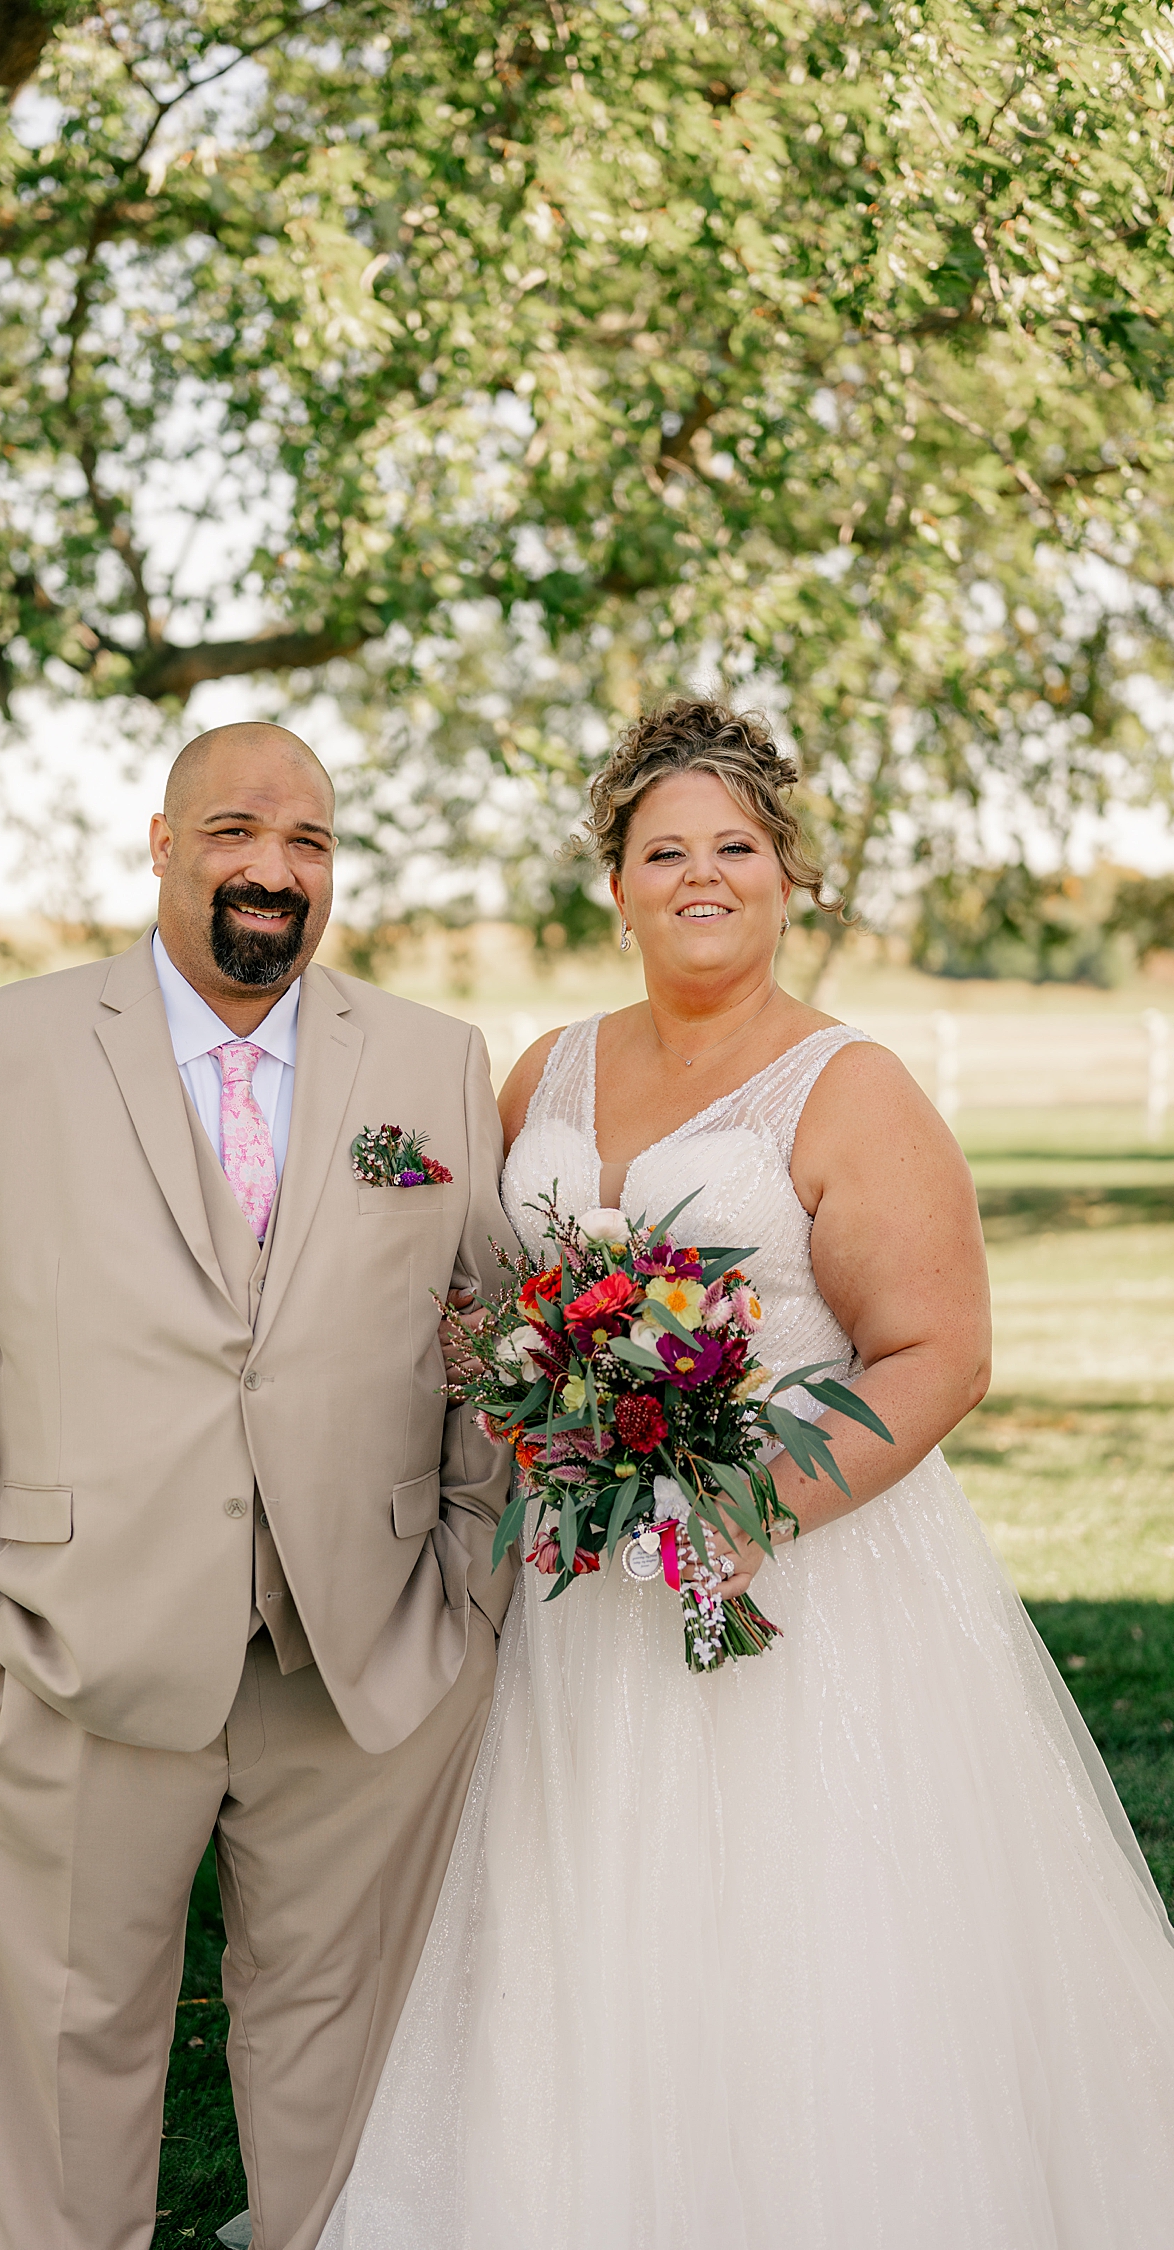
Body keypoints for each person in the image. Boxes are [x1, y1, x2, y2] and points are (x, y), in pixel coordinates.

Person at [318, 699, 1174, 2250]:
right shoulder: (546, 1072)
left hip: (805, 1574)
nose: (699, 874)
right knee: (589, 1922)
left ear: (791, 876)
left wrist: (738, 1501)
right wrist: (509, 1376)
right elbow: (504, 1284)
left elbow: (938, 1353)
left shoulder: (850, 1086)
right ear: (618, 881)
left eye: (735, 846)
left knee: (803, 1929)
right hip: (585, 1600)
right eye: (664, 849)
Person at [0, 722, 515, 2250]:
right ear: (161, 845)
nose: (274, 869)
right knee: (68, 2070)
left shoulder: (431, 1061)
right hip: (68, 1652)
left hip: (368, 1662)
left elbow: (492, 1334)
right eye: (235, 832)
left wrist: (470, 1576)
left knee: (343, 2069)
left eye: (310, 842)